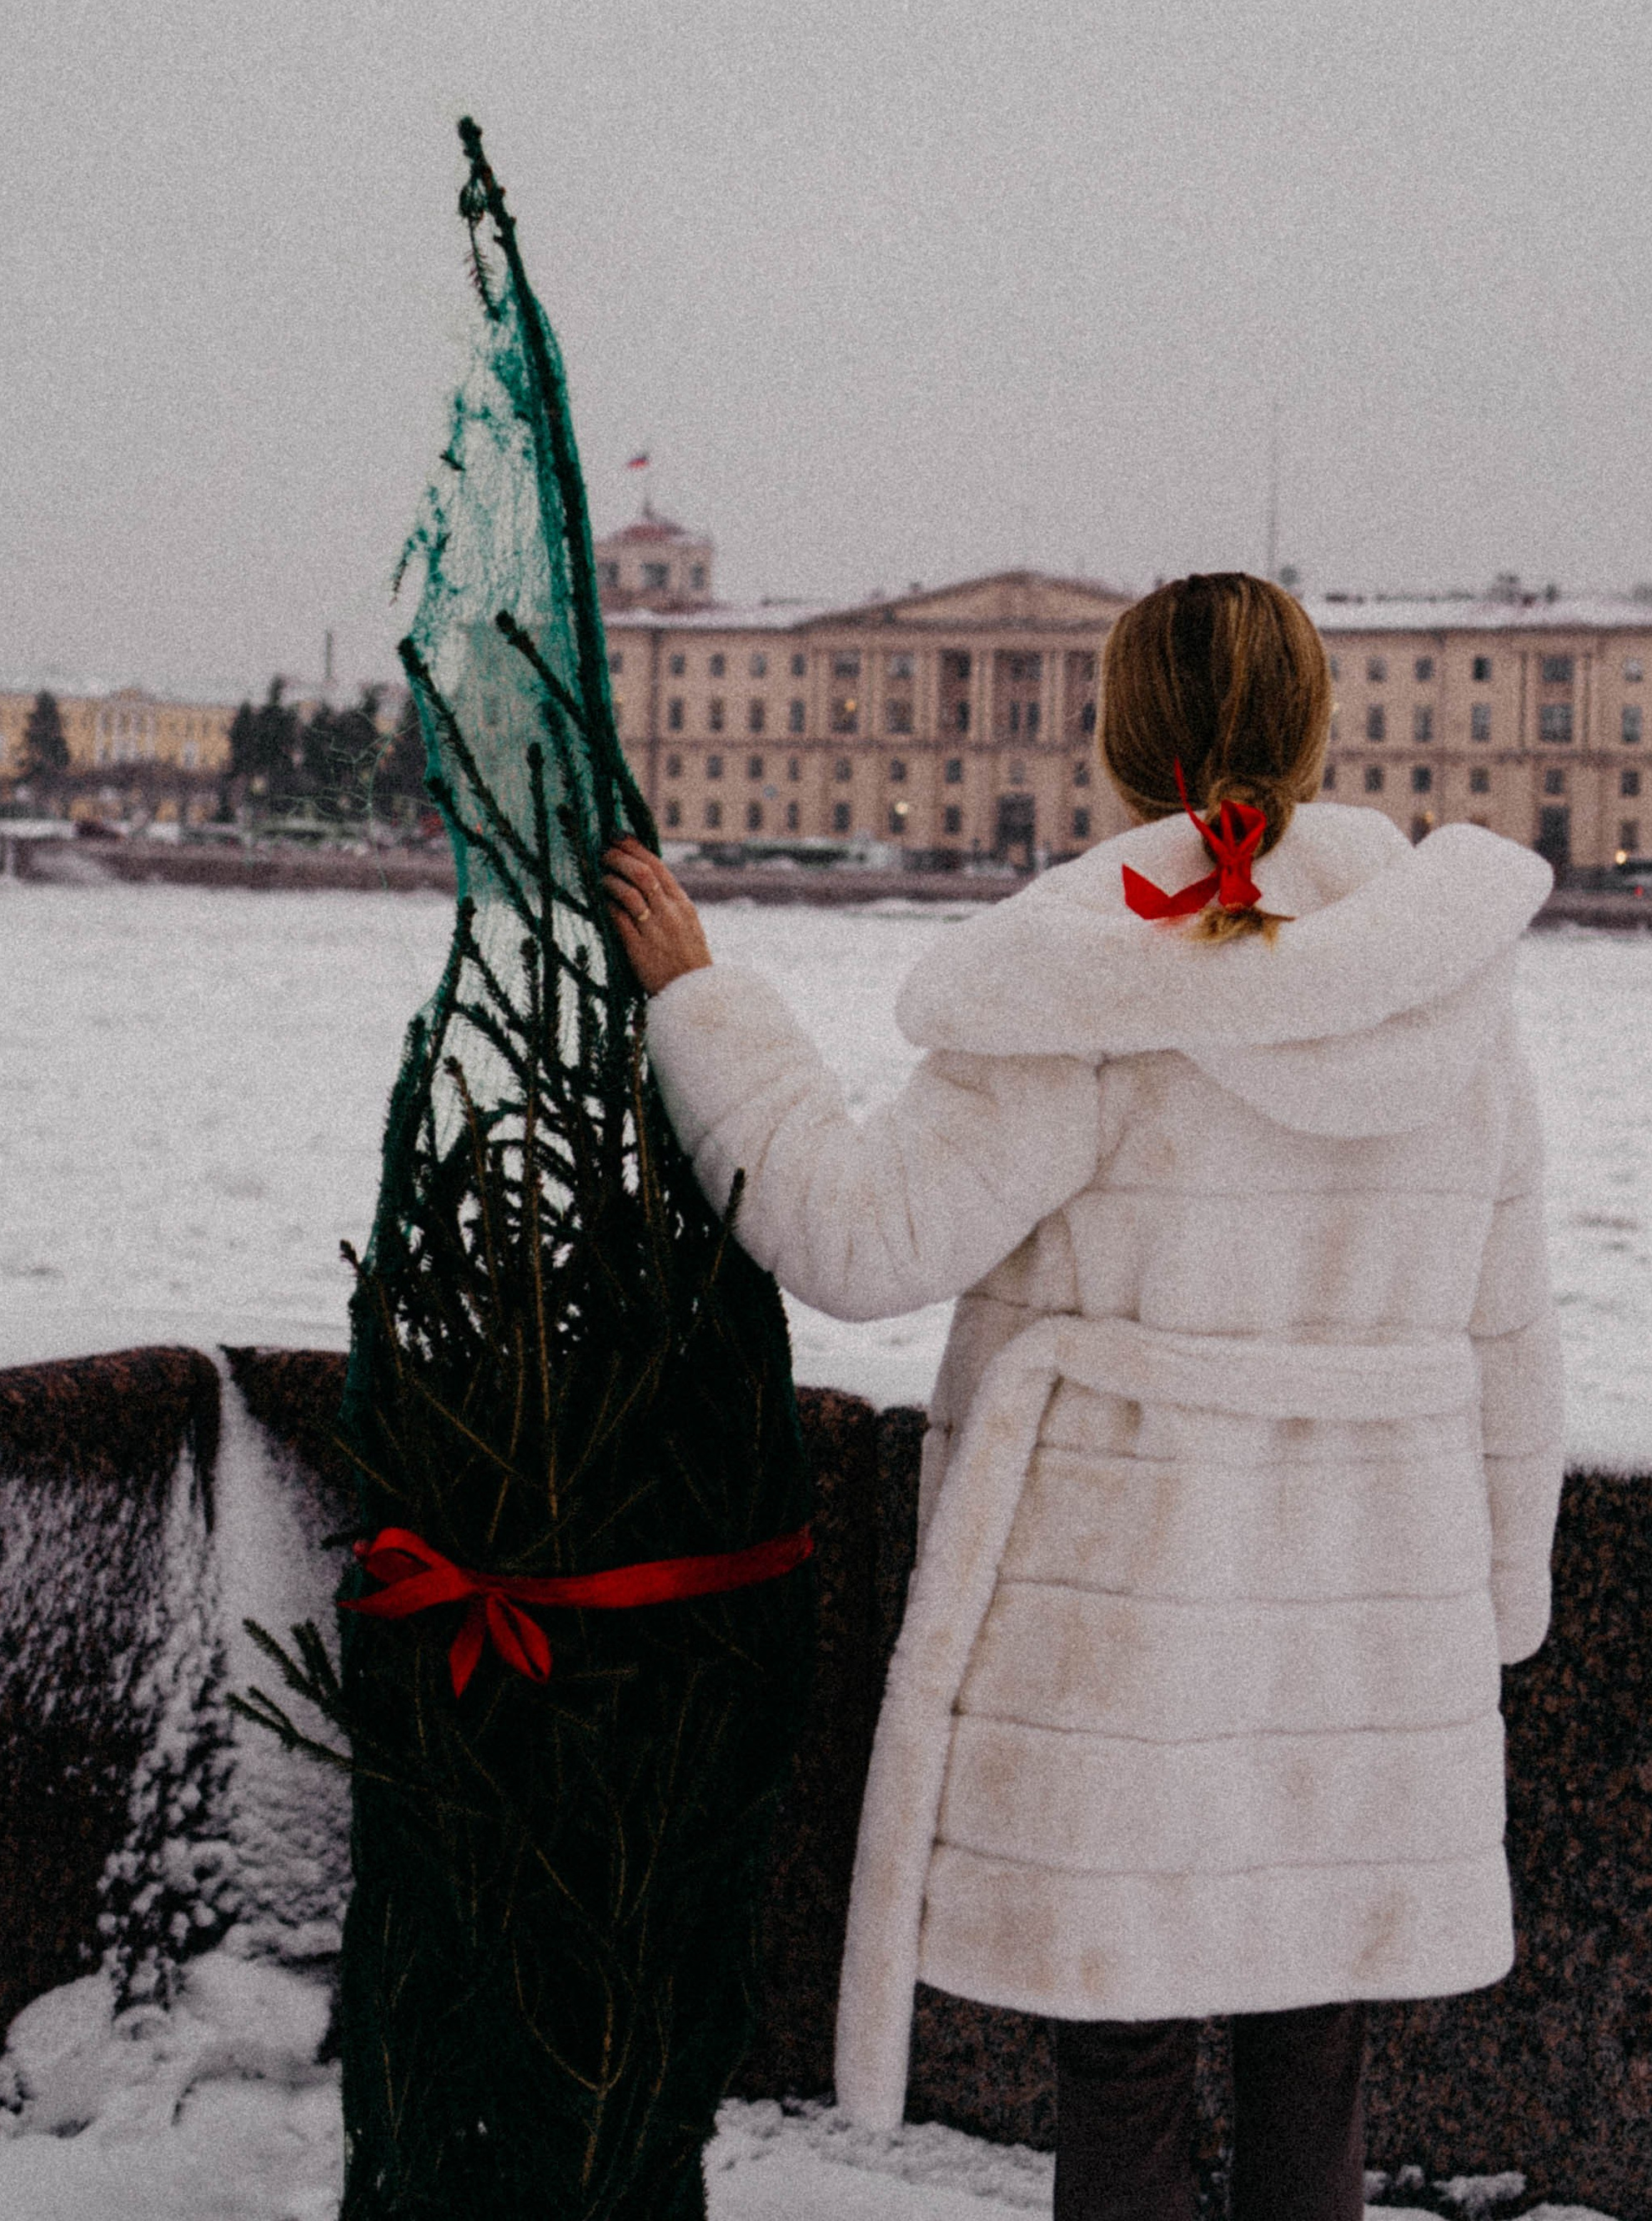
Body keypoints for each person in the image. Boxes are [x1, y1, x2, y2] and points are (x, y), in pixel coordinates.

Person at [603, 571, 1562, 2221]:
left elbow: (858, 1230)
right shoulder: (1444, 992)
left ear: (1115, 746)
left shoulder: (1089, 984)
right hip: (1364, 1626)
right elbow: (1510, 1341)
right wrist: (1489, 1611)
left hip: (1133, 1618)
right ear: (1319, 728)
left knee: (1121, 2064)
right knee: (1311, 2055)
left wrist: (700, 1001)